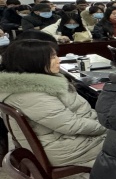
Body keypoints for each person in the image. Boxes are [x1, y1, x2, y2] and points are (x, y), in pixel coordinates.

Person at [0, 39, 106, 167]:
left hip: (64, 138)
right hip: (64, 148)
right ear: (34, 61)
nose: (58, 60)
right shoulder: (31, 95)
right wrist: (107, 127)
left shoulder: (36, 84)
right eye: (52, 57)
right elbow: (71, 125)